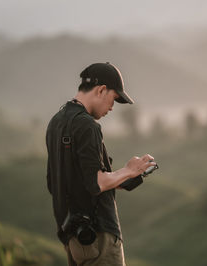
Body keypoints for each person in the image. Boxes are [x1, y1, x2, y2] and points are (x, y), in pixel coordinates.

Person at [46, 62, 156, 266]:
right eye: (113, 99)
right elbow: (96, 183)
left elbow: (55, 183)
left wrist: (130, 176)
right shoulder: (88, 126)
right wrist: (128, 170)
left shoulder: (56, 123)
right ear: (101, 90)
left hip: (74, 239)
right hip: (99, 237)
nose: (112, 108)